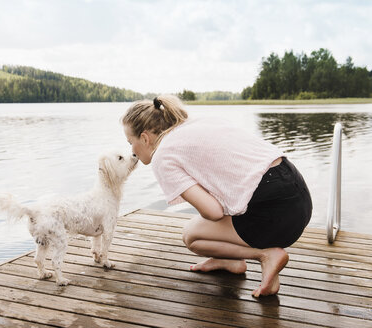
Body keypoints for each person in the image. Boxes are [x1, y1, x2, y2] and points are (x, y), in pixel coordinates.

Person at [121, 94, 312, 297]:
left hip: (274, 211)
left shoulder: (163, 155)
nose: (131, 150)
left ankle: (266, 255)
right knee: (210, 221)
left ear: (144, 138)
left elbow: (213, 212)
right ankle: (229, 260)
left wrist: (211, 225)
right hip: (298, 195)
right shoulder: (198, 122)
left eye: (129, 141)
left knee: (191, 235)